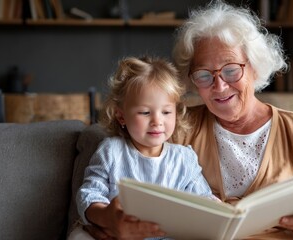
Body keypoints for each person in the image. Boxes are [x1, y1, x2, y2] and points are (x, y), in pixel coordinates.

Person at [85, 1, 293, 239]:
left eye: (231, 70)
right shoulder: (176, 127)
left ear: (254, 66)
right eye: (204, 74)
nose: (219, 86)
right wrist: (109, 226)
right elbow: (113, 193)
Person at [69, 56, 217, 240]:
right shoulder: (112, 151)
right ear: (121, 116)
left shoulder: (183, 158)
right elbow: (89, 196)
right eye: (145, 112)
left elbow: (203, 198)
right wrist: (108, 217)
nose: (157, 121)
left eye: (166, 112)